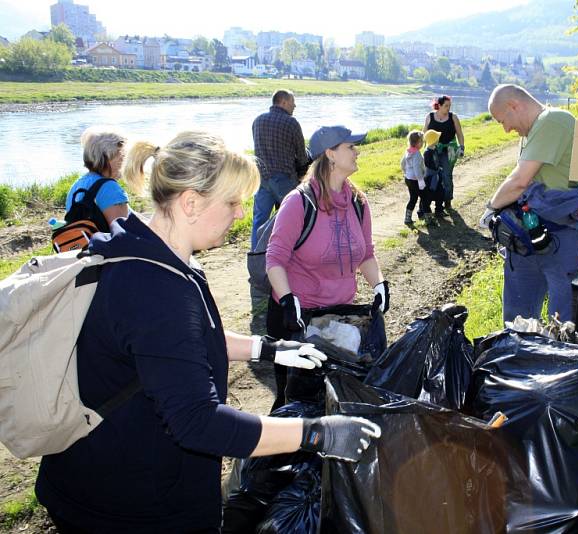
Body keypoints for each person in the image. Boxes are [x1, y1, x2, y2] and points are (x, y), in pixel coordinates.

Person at [35, 131, 381, 533]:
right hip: (123, 504)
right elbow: (199, 423)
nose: (240, 214)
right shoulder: (155, 289)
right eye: (232, 202)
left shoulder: (149, 250)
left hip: (110, 472)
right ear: (191, 203)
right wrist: (317, 433)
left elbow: (185, 339)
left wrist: (265, 349)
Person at [266, 125, 389, 410]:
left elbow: (366, 253)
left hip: (339, 317)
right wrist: (287, 299)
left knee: (334, 393)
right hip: (298, 318)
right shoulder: (299, 202)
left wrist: (379, 284)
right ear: (330, 154)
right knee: (293, 398)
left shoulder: (358, 202)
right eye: (350, 147)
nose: (357, 151)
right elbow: (275, 258)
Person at [479, 84, 578, 323]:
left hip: (562, 239)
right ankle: (521, 356)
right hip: (534, 236)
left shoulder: (555, 120)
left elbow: (519, 181)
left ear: (513, 105)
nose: (506, 129)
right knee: (518, 319)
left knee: (562, 323)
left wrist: (491, 208)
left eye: (502, 121)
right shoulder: (534, 132)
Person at [251, 89, 310, 249]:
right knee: (290, 218)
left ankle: (256, 256)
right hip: (284, 178)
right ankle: (287, 254)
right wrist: (303, 171)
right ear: (283, 102)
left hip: (261, 178)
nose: (295, 106)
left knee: (260, 220)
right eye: (292, 102)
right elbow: (301, 155)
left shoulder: (258, 121)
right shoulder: (291, 123)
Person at [63, 127, 130, 230]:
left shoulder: (77, 185)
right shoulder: (109, 187)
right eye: (121, 156)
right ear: (106, 157)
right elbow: (124, 233)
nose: (124, 162)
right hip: (107, 246)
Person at [423, 95, 465, 211]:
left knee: (446, 175)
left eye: (449, 106)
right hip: (433, 151)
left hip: (449, 150)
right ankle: (430, 204)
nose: (448, 108)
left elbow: (459, 134)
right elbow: (424, 134)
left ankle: (447, 201)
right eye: (446, 106)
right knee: (432, 177)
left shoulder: (453, 117)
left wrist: (461, 147)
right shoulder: (430, 116)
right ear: (439, 106)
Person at [419, 129, 445, 223]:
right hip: (430, 177)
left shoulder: (435, 149)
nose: (438, 140)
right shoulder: (427, 152)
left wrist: (439, 167)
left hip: (437, 175)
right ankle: (422, 211)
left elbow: (437, 160)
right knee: (427, 195)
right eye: (437, 138)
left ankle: (439, 209)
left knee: (440, 192)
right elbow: (428, 164)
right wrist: (435, 169)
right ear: (433, 140)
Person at [400, 130, 425, 224]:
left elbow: (402, 163)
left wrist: (406, 172)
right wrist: (421, 180)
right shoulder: (417, 154)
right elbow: (417, 168)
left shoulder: (408, 151)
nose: (423, 143)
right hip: (416, 180)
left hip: (408, 179)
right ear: (417, 143)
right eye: (422, 141)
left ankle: (407, 218)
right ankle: (424, 215)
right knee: (424, 196)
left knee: (413, 198)